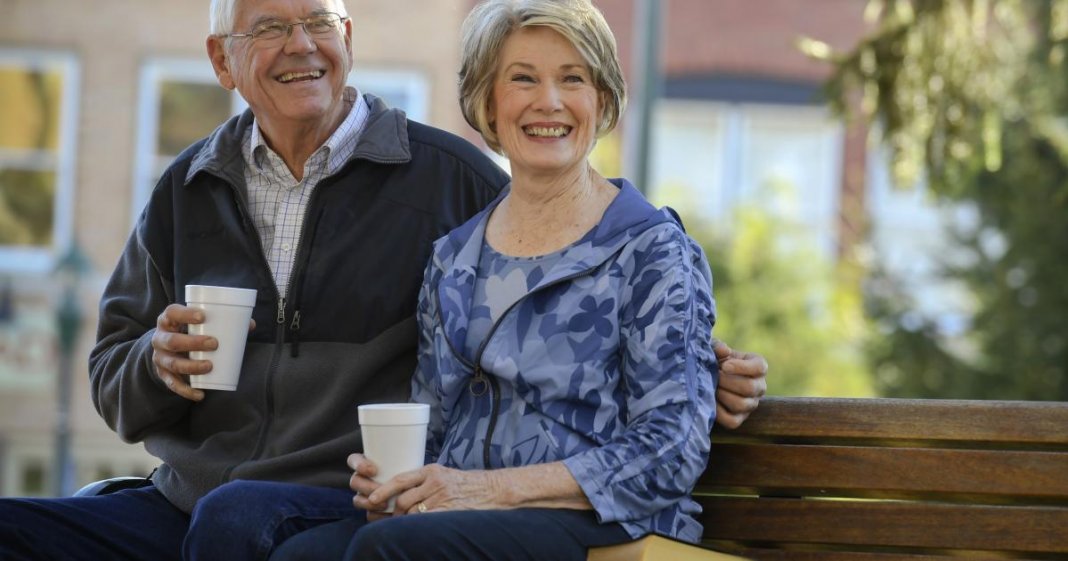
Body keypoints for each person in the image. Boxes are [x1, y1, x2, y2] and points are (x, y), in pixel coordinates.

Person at [0, 0, 766, 559]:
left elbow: (598, 276)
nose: (301, 45)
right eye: (270, 27)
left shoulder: (448, 180)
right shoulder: (189, 187)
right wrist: (154, 365)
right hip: (199, 495)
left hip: (365, 496)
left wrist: (702, 356)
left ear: (350, 40)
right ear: (221, 60)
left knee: (272, 530)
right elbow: (112, 372)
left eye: (319, 23)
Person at [270, 1, 734, 560]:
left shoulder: (652, 250)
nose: (550, 101)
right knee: (303, 555)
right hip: (462, 525)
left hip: (615, 531)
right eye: (523, 79)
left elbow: (672, 450)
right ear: (487, 103)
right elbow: (434, 434)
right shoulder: (452, 258)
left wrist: (486, 491)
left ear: (602, 100)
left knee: (391, 550)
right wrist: (398, 486)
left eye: (573, 79)